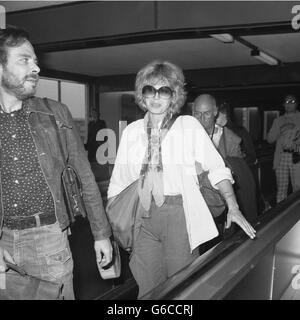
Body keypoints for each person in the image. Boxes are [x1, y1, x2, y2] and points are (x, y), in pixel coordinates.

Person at [107, 60, 256, 298]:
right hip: (143, 219)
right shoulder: (132, 132)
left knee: (182, 287)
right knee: (147, 288)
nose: (156, 97)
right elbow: (119, 183)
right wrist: (113, 225)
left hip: (178, 215)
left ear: (173, 96)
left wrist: (233, 206)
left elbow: (217, 168)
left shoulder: (188, 126)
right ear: (142, 96)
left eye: (163, 90)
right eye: (149, 90)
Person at [0, 27, 112, 300]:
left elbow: (85, 177)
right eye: (25, 60)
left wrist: (101, 234)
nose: (36, 67)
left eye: (36, 60)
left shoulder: (55, 114)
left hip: (49, 239)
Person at [193, 94, 258, 224]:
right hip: (195, 202)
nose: (201, 119)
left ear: (215, 112)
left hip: (220, 201)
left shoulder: (230, 139)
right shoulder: (185, 136)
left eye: (206, 114)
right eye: (197, 114)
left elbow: (240, 175)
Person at [267, 94, 300, 203]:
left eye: (292, 102)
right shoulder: (278, 120)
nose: (289, 104)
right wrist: (281, 130)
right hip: (281, 157)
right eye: (286, 102)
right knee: (281, 189)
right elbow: (270, 139)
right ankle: (280, 215)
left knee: (298, 188)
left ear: (296, 104)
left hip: (297, 156)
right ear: (283, 105)